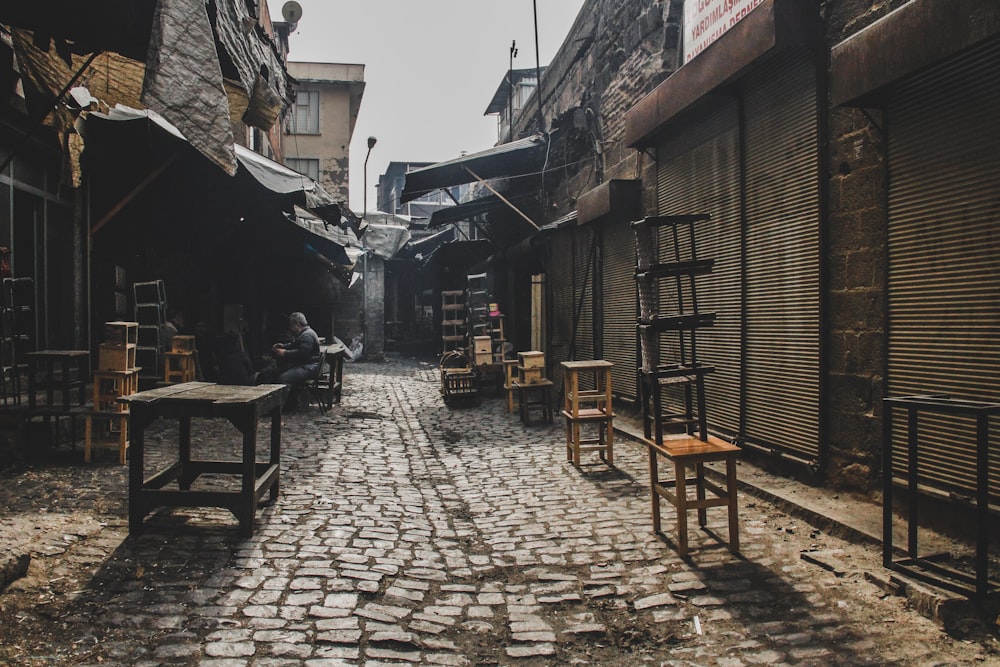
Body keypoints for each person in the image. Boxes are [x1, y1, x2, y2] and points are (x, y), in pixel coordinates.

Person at [256, 312, 321, 386]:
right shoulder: (304, 333)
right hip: (305, 365)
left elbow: (302, 353)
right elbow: (294, 345)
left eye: (291, 325)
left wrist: (284, 353)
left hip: (310, 367)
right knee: (273, 372)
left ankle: (290, 397)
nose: (290, 328)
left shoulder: (307, 335)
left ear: (297, 324)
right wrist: (283, 346)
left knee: (283, 378)